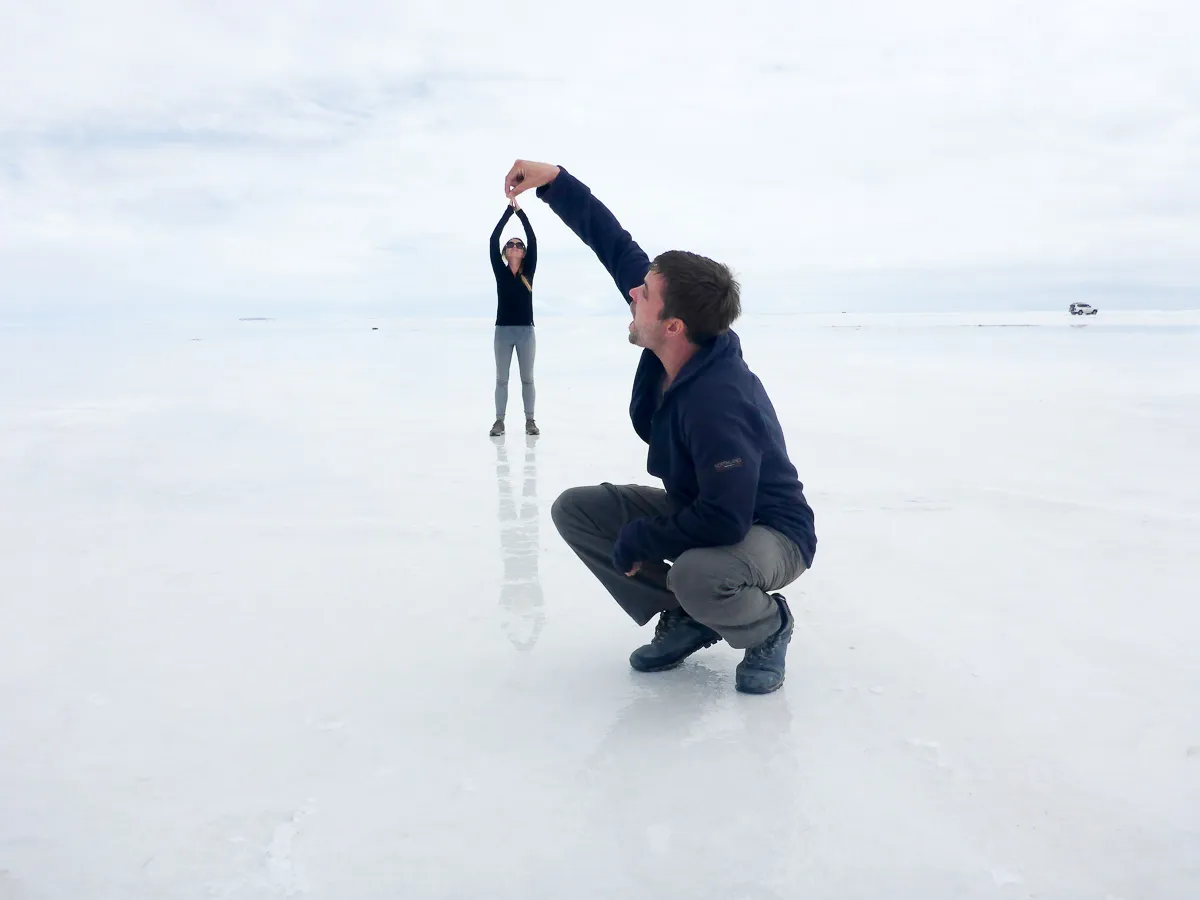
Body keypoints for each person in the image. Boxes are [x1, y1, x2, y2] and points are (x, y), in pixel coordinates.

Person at [503, 159, 817, 694]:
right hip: (709, 509)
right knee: (577, 511)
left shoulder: (720, 402)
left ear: (673, 325)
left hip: (770, 531)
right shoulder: (678, 339)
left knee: (697, 571)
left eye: (644, 293)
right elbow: (613, 244)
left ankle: (766, 626)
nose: (633, 293)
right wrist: (553, 181)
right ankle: (689, 615)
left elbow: (725, 518)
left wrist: (643, 538)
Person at [488, 197, 540, 436]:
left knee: (527, 378)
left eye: (519, 245)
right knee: (502, 379)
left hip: (526, 332)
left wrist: (520, 212)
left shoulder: (528, 271)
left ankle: (530, 421)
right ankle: (499, 421)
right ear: (506, 251)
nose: (515, 247)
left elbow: (533, 238)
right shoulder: (500, 272)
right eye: (511, 244)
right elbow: (492, 239)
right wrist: (508, 212)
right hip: (503, 332)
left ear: (524, 252)